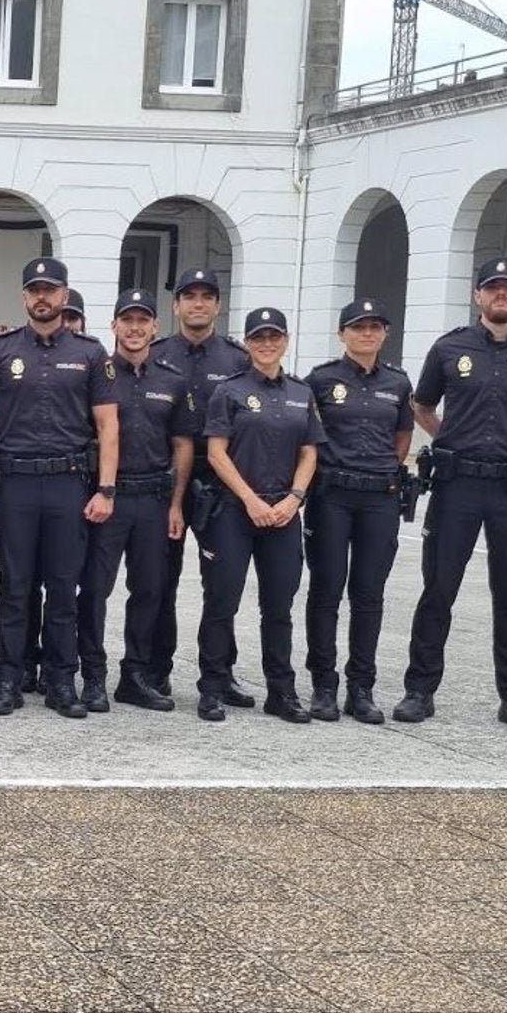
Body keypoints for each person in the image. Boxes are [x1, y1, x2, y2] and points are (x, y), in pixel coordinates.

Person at [0, 258, 118, 718]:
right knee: (14, 587)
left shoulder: (92, 354)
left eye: (50, 289)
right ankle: (9, 678)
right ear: (24, 296)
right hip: (15, 483)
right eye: (34, 289)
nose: (42, 296)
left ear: (65, 294)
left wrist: (106, 489)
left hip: (68, 484)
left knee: (62, 587)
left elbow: (108, 426)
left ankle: (61, 681)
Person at [399, 256, 507, 733]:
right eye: (492, 288)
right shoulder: (449, 347)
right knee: (438, 588)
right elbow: (422, 404)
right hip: (458, 485)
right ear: (478, 295)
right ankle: (419, 690)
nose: (501, 295)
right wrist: (448, 438)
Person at [196, 307, 323, 723]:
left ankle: (281, 692)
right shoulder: (229, 391)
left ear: (285, 340)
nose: (267, 344)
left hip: (283, 515)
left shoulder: (302, 393)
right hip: (236, 511)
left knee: (279, 608)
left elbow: (310, 451)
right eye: (258, 338)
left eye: (274, 337)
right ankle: (212, 688)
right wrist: (250, 499)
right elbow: (216, 452)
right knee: (221, 602)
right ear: (248, 343)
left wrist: (295, 498)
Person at [75, 289, 194, 712]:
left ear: (155, 327)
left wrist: (176, 504)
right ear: (114, 326)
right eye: (127, 320)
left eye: (143, 320)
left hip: (153, 500)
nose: (135, 328)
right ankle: (92, 676)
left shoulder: (173, 379)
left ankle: (135, 675)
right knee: (94, 589)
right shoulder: (97, 373)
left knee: (148, 590)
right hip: (108, 498)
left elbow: (182, 446)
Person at [299, 300, 413, 725]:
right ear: (342, 334)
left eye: (374, 327)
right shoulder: (321, 380)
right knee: (326, 590)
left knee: (369, 594)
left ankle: (360, 688)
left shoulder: (398, 383)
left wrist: (383, 469)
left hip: (379, 498)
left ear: (384, 334)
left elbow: (402, 437)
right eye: (358, 327)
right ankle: (323, 685)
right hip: (332, 496)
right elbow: (308, 437)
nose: (367, 334)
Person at [150, 268, 253, 706]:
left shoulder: (237, 359)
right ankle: (156, 670)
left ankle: (220, 672)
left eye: (206, 296)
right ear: (175, 305)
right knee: (159, 581)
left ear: (218, 305)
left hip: (218, 484)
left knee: (222, 584)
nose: (197, 303)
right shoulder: (155, 354)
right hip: (165, 480)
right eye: (188, 296)